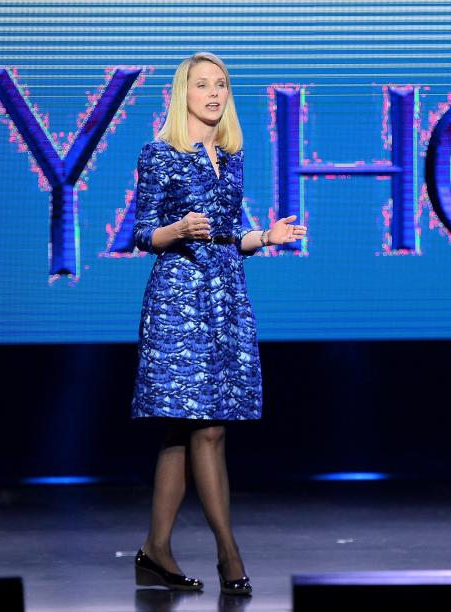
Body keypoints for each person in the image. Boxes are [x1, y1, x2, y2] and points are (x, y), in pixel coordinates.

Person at [129, 51, 306, 596]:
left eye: (221, 85)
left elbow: (232, 235)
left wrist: (265, 238)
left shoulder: (230, 157)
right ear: (183, 93)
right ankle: (230, 553)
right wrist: (176, 227)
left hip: (226, 296)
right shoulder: (160, 154)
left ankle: (155, 552)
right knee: (207, 426)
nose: (213, 93)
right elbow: (141, 234)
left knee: (183, 428)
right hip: (180, 300)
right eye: (202, 85)